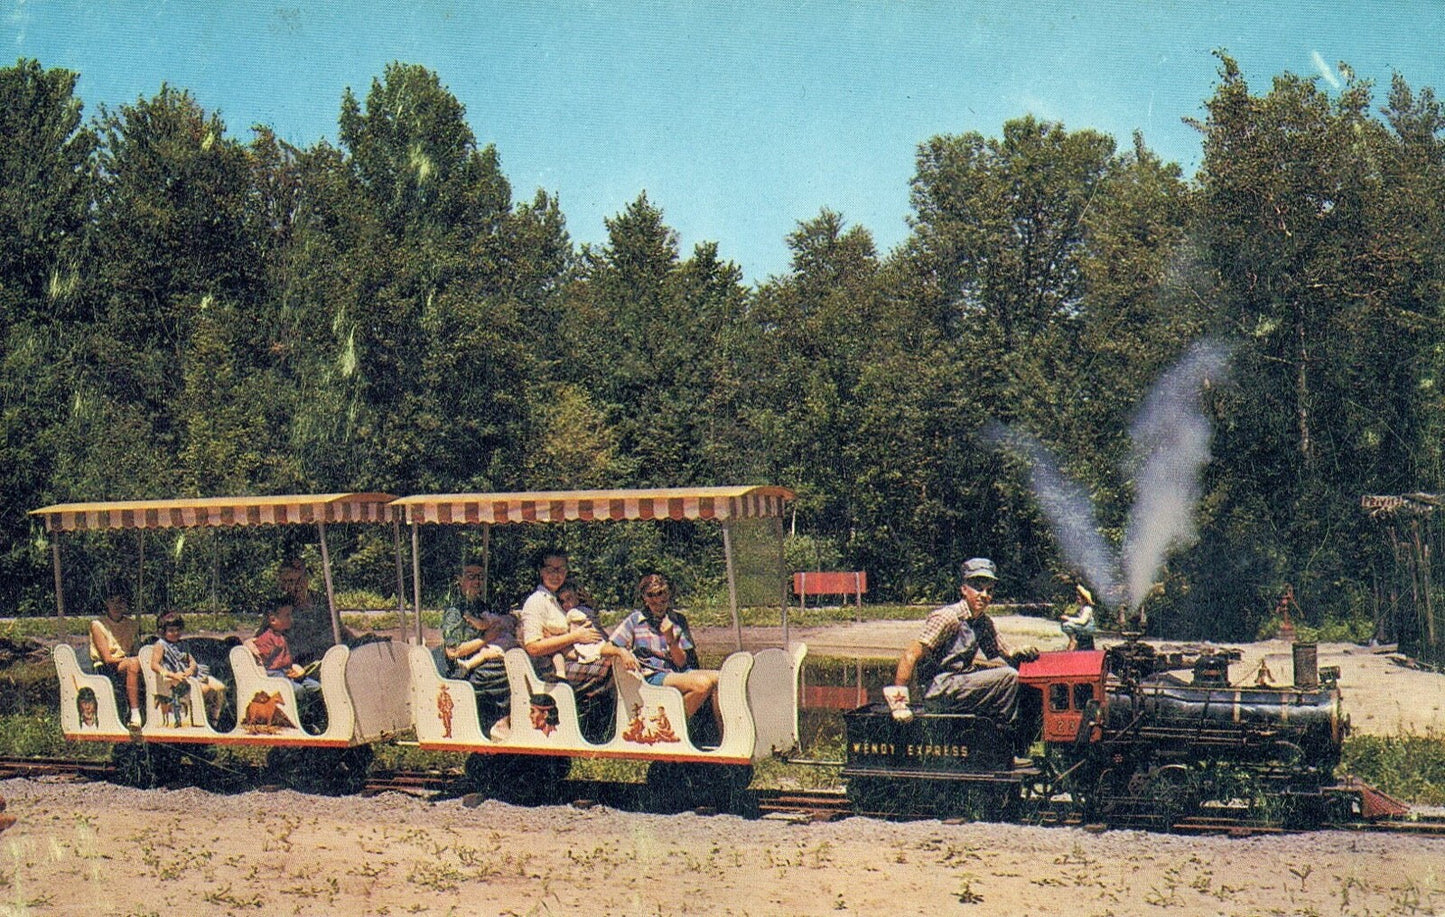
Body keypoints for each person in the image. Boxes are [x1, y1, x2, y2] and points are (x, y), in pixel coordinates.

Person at [888, 557, 1038, 736]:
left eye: (989, 591)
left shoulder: (983, 622)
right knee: (1008, 676)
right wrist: (899, 704)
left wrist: (1022, 651)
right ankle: (1003, 734)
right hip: (938, 689)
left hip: (960, 685)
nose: (984, 595)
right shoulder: (948, 618)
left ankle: (997, 730)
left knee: (1008, 672)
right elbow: (910, 656)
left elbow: (1007, 653)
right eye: (978, 588)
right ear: (964, 589)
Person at [517, 549, 632, 738]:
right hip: (552, 670)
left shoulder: (561, 599)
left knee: (621, 658)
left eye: (561, 569)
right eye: (550, 569)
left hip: (573, 658)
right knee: (612, 665)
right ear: (540, 571)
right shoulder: (536, 602)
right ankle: (613, 729)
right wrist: (575, 637)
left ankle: (609, 726)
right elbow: (533, 647)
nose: (556, 575)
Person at [609, 574, 719, 722]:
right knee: (702, 685)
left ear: (668, 595)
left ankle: (722, 736)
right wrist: (622, 652)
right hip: (653, 674)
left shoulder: (678, 620)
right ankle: (672, 725)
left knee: (722, 678)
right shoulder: (636, 620)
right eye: (651, 596)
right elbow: (605, 648)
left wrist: (670, 639)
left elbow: (681, 663)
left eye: (661, 595)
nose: (657, 601)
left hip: (677, 671)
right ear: (644, 598)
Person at [441, 563, 518, 740]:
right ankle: (501, 720)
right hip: (462, 670)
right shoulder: (455, 611)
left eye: (480, 577)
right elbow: (453, 652)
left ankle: (507, 719)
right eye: (471, 576)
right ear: (459, 580)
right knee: (507, 667)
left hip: (481, 663)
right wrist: (485, 639)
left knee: (514, 659)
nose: (477, 581)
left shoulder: (481, 605)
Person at [243, 557, 353, 668]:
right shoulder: (283, 608)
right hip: (301, 666)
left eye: (291, 581)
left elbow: (340, 630)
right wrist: (248, 643)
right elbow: (262, 636)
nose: (287, 587)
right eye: (283, 583)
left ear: (305, 580)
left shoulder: (322, 601)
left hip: (330, 659)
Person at [149, 610, 227, 726]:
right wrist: (171, 674)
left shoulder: (182, 644)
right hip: (175, 680)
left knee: (220, 687)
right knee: (205, 689)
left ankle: (213, 719)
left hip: (190, 676)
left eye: (178, 630)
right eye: (171, 631)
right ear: (163, 631)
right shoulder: (161, 645)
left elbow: (192, 661)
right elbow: (154, 665)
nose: (175, 633)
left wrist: (191, 669)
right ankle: (200, 718)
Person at [253, 604, 324, 727]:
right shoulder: (267, 639)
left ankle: (317, 717)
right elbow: (263, 662)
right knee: (298, 690)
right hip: (275, 674)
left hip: (287, 672)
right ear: (273, 620)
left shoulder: (283, 636)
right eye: (287, 615)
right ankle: (302, 721)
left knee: (316, 687)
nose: (291, 619)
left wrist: (292, 668)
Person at [89, 578, 144, 728]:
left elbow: (136, 650)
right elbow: (107, 658)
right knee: (134, 663)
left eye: (121, 601)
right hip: (107, 667)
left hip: (128, 663)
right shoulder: (98, 625)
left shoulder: (132, 624)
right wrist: (132, 660)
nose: (117, 605)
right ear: (106, 603)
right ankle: (135, 714)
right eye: (112, 601)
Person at [1061, 584, 1097, 651]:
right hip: (1084, 628)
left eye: (1081, 597)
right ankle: (1073, 641)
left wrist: (1068, 619)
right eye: (1078, 596)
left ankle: (1073, 640)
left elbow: (1082, 621)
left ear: (1085, 599)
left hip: (1087, 629)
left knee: (1066, 625)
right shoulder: (1082, 608)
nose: (1078, 597)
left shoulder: (1087, 609)